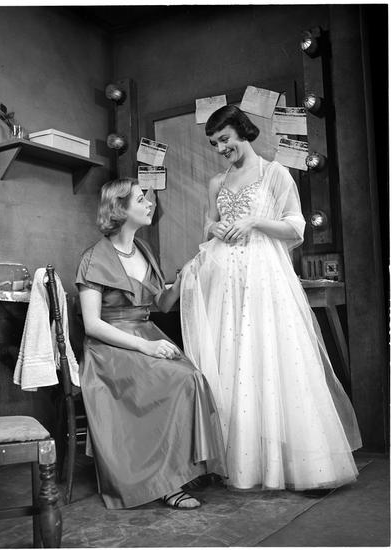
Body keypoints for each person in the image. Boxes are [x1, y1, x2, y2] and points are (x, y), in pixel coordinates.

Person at [180, 105, 362, 491]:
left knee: (273, 357)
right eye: (214, 143)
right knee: (232, 363)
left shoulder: (275, 173)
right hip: (224, 281)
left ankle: (296, 464)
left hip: (263, 276)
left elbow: (296, 227)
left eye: (224, 139)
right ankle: (240, 462)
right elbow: (208, 223)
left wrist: (254, 222)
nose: (220, 148)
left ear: (242, 131)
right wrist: (216, 228)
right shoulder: (217, 181)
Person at [75, 177, 227, 510]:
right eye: (141, 199)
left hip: (146, 334)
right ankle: (166, 483)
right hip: (110, 349)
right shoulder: (93, 258)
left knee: (192, 378)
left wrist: (182, 279)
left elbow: (162, 304)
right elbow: (92, 325)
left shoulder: (144, 251)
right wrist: (145, 347)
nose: (149, 204)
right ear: (120, 208)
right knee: (176, 380)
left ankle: (182, 470)